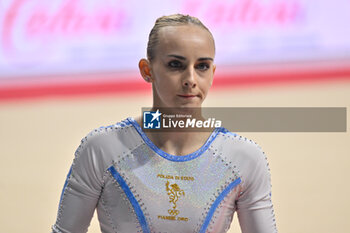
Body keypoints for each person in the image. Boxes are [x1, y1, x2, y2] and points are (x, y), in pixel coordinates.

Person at [52, 14, 277, 233]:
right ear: (147, 70)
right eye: (176, 65)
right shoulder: (101, 149)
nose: (190, 79)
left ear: (213, 73)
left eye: (202, 66)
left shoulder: (243, 158)